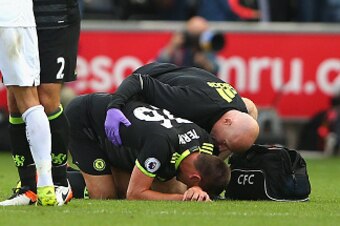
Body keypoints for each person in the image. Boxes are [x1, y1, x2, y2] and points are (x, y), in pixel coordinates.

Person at [65, 93, 230, 201]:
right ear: (195, 178)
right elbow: (135, 194)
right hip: (84, 120)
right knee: (105, 195)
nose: (189, 187)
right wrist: (183, 198)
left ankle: (89, 173)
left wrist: (197, 190)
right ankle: (54, 176)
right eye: (192, 185)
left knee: (124, 186)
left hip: (119, 131)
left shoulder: (204, 140)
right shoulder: (161, 144)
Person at [0, 0, 81, 206]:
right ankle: (29, 188)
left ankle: (61, 183)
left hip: (56, 18)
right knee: (15, 101)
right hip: (22, 14)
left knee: (47, 98)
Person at [105, 62, 259, 155]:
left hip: (181, 80)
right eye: (225, 143)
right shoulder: (189, 102)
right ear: (227, 121)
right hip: (142, 92)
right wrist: (114, 106)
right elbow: (138, 81)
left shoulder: (239, 109)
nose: (222, 148)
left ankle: (208, 177)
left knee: (251, 108)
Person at [156, 16, 223, 75]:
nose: (196, 39)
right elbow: (158, 66)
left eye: (200, 34)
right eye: (194, 34)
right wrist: (172, 47)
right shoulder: (180, 46)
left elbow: (216, 70)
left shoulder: (206, 47)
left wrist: (205, 63)